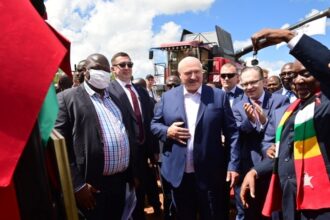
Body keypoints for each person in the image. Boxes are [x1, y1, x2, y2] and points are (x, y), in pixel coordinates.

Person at [241, 28, 330, 220]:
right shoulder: (291, 111)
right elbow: (285, 153)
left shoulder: (325, 105)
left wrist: (289, 37)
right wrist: (256, 170)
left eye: (305, 74)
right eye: (293, 76)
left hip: (321, 205)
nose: (297, 81)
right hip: (291, 201)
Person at [151, 56, 240, 220]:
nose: (193, 76)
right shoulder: (167, 97)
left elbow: (232, 133)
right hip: (179, 176)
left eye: (197, 72)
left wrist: (233, 165)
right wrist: (167, 131)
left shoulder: (218, 96)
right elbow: (155, 125)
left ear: (203, 72)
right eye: (188, 73)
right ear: (179, 75)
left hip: (210, 174)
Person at [55, 53, 134, 220]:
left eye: (106, 69)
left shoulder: (115, 98)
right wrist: (76, 185)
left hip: (119, 183)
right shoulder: (66, 98)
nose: (103, 72)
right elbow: (60, 148)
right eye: (97, 68)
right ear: (85, 71)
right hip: (90, 187)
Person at [232, 66, 289, 220]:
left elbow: (283, 130)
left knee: (274, 211)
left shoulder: (280, 101)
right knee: (251, 211)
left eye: (253, 82)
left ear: (264, 81)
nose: (249, 87)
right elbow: (238, 134)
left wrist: (265, 121)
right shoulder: (238, 106)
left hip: (273, 166)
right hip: (249, 165)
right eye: (245, 84)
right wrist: (251, 122)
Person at [109, 52, 160, 220]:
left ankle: (158, 212)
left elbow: (149, 120)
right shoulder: (109, 92)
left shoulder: (141, 91)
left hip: (146, 152)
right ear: (113, 69)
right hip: (126, 155)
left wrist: (153, 150)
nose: (126, 68)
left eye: (129, 64)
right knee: (134, 198)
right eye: (122, 65)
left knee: (151, 187)